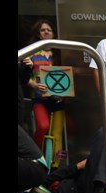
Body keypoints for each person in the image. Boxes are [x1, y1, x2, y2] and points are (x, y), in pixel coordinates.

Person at [25, 19, 65, 150]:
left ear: (53, 34)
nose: (46, 32)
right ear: (38, 34)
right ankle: (35, 156)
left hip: (58, 100)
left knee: (57, 135)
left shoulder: (61, 53)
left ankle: (56, 165)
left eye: (49, 30)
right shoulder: (30, 53)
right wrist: (34, 85)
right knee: (43, 126)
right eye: (43, 30)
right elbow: (23, 77)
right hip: (39, 99)